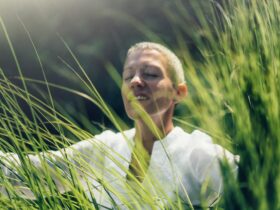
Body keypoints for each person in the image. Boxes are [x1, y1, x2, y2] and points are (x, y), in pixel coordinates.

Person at [0, 42, 238, 209]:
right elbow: (25, 175)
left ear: (179, 91)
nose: (136, 81)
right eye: (128, 76)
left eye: (151, 74)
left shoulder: (195, 152)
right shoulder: (104, 149)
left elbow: (255, 182)